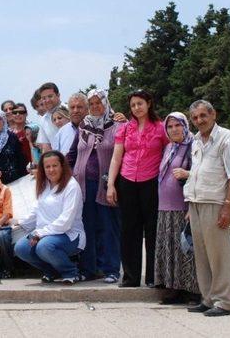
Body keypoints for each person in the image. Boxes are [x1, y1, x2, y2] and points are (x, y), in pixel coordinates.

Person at [184, 100, 230, 317]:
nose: (199, 121)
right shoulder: (196, 140)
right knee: (202, 254)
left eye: (203, 116)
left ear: (213, 114)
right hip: (196, 202)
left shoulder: (226, 138)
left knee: (218, 255)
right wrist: (191, 203)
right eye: (195, 118)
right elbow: (196, 172)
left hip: (215, 203)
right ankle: (207, 299)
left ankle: (224, 302)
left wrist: (227, 206)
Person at [106, 89, 168, 288]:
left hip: (151, 182)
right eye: (133, 105)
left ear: (149, 103)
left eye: (140, 103)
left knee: (152, 230)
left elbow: (169, 155)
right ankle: (131, 277)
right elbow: (116, 157)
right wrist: (110, 185)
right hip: (127, 181)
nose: (136, 108)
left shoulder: (161, 128)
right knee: (129, 230)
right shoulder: (125, 128)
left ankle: (153, 277)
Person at [67, 89, 123, 284]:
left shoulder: (117, 126)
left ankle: (111, 269)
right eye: (91, 104)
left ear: (105, 103)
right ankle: (89, 269)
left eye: (98, 102)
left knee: (109, 228)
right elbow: (72, 154)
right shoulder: (84, 126)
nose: (95, 107)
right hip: (83, 186)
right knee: (87, 228)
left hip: (107, 185)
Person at [14, 151, 85, 284]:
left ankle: (71, 272)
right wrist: (19, 223)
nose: (51, 170)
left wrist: (39, 233)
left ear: (62, 166)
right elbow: (37, 210)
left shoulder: (71, 186)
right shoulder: (44, 184)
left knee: (44, 246)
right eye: (47, 167)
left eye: (55, 165)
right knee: (21, 248)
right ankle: (51, 271)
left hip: (69, 235)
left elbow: (65, 222)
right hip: (44, 235)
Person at [155, 112, 200, 304]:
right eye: (170, 126)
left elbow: (202, 172)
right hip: (165, 208)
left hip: (183, 207)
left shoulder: (193, 146)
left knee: (186, 249)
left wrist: (187, 173)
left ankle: (192, 291)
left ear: (185, 125)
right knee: (170, 248)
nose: (174, 129)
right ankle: (172, 288)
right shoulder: (169, 148)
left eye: (177, 125)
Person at [35, 82, 62, 152]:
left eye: (50, 96)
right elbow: (46, 147)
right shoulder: (43, 120)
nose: (47, 100)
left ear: (58, 95)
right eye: (44, 98)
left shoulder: (70, 111)